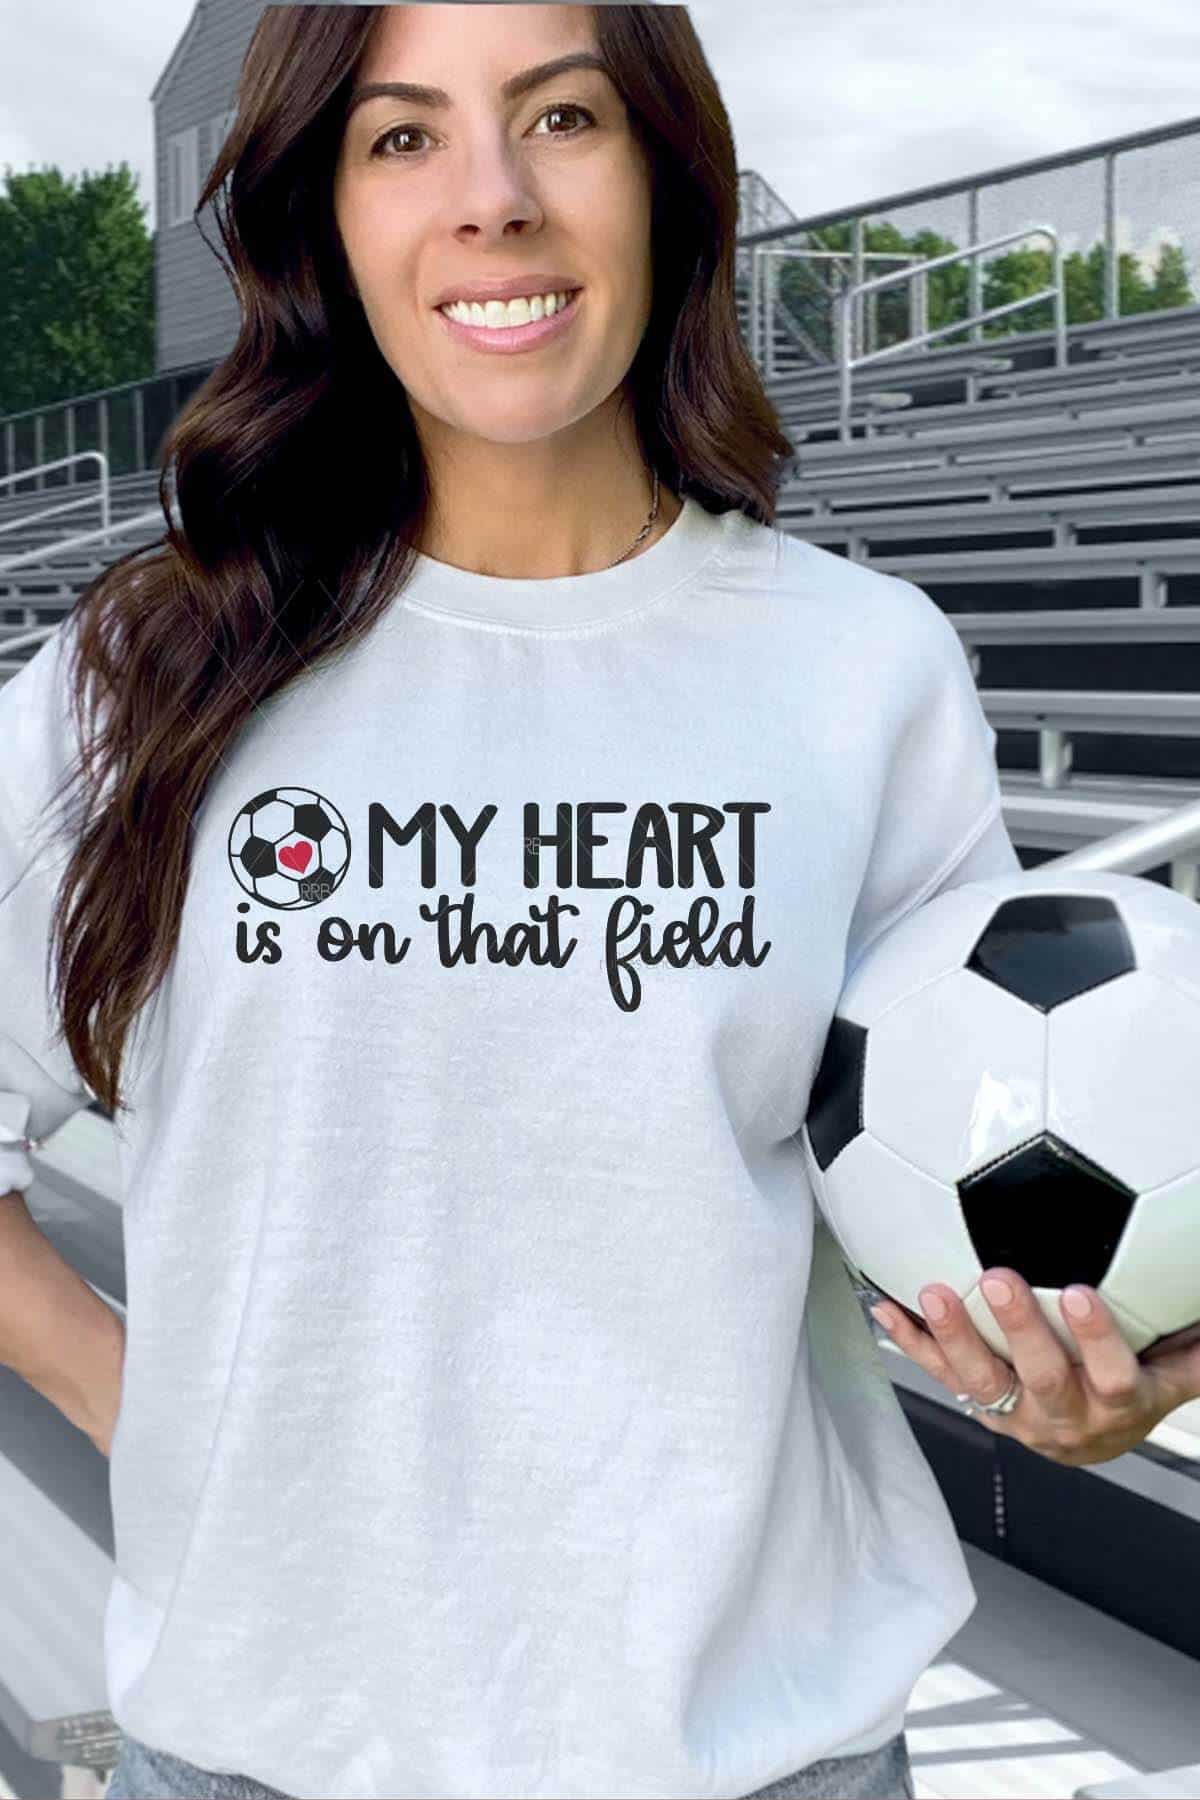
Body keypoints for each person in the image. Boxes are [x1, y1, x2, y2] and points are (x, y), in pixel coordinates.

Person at [0, 4, 1096, 1797]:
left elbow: (971, 1185)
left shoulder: (861, 673)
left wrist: (1079, 1377)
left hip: (766, 1759)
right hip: (267, 1760)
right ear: (324, 219)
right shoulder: (147, 677)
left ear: (666, 174)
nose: (491, 200)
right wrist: (166, 1417)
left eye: (563, 117)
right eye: (403, 137)